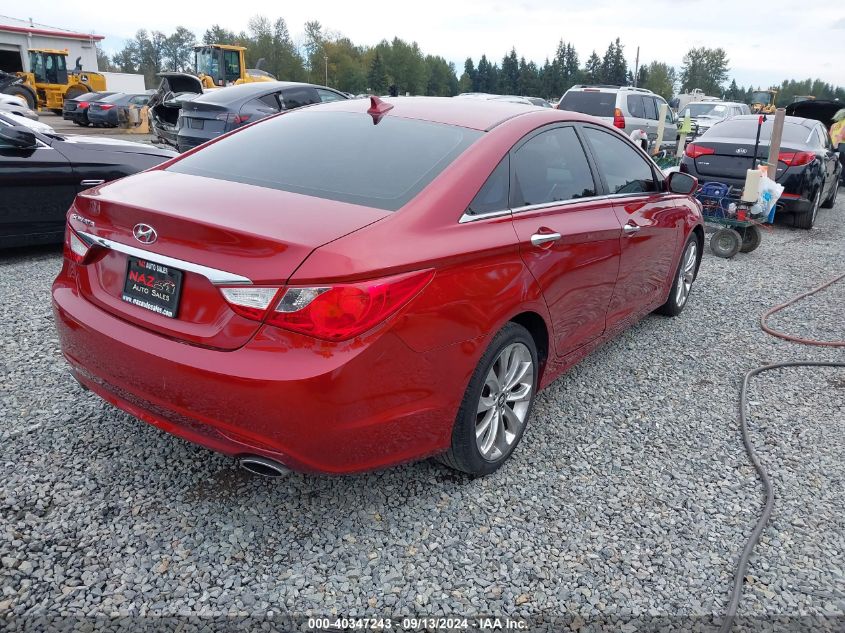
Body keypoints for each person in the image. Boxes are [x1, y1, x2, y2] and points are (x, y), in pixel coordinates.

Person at [830, 109, 845, 185]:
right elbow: (844, 136)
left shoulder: (834, 125)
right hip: (842, 146)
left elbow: (829, 136)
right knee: (843, 165)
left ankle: (834, 180)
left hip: (833, 146)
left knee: (835, 164)